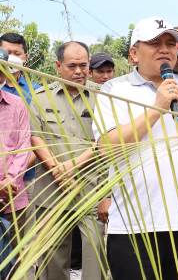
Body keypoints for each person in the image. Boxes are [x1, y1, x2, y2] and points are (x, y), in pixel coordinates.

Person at [93, 17, 178, 280]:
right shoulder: (113, 91)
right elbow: (106, 146)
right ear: (134, 54)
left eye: (170, 43)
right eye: (155, 43)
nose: (165, 49)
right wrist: (156, 110)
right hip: (131, 226)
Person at [30, 41, 106, 280]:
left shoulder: (102, 96)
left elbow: (106, 139)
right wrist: (56, 169)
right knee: (53, 258)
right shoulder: (41, 97)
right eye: (72, 66)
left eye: (83, 65)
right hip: (51, 189)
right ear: (58, 66)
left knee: (96, 253)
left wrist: (71, 167)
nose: (79, 71)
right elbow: (36, 136)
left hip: (92, 187)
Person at [0, 48, 34, 280]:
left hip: (13, 196)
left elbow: (24, 146)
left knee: (17, 261)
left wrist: (9, 180)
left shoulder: (17, 104)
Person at [0, 32, 41, 103]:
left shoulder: (36, 91)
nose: (11, 57)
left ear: (26, 57)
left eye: (17, 54)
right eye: (7, 53)